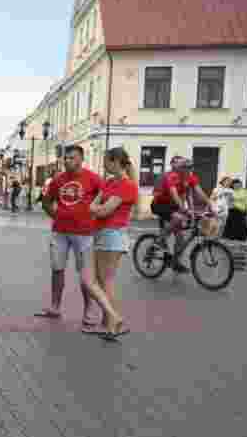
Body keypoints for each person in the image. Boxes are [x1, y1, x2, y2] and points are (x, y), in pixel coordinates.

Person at [35, 144, 118, 331]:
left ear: (81, 159)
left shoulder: (94, 179)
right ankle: (55, 306)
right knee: (57, 269)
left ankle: (88, 311)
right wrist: (57, 216)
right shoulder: (58, 180)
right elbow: (46, 202)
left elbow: (107, 199)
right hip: (60, 232)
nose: (67, 161)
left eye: (71, 157)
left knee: (85, 276)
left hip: (85, 233)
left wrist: (96, 217)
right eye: (66, 158)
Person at [88, 147, 138, 340]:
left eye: (106, 161)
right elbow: (94, 205)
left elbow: (102, 210)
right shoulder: (109, 182)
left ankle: (113, 322)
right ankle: (109, 322)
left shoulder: (127, 185)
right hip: (103, 233)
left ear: (116, 161)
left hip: (113, 234)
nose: (103, 164)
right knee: (102, 281)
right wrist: (96, 208)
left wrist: (96, 208)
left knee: (104, 282)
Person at [149, 156, 212, 272]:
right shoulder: (171, 176)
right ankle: (158, 242)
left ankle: (175, 262)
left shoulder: (191, 178)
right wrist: (184, 209)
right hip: (160, 204)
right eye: (186, 168)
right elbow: (175, 195)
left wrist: (210, 204)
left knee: (180, 237)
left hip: (173, 206)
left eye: (190, 168)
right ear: (180, 169)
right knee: (178, 218)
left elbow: (197, 192)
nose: (189, 171)